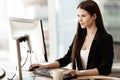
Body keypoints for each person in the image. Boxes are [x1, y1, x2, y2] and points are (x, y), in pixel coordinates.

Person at [29, 0, 114, 77]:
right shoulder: (79, 37)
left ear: (94, 16)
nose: (79, 19)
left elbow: (105, 68)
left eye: (83, 16)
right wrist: (44, 66)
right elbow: (66, 58)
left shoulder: (106, 38)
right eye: (78, 16)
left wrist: (79, 73)